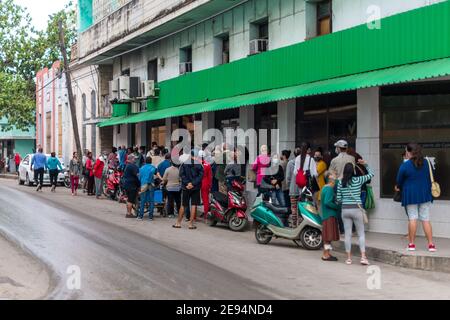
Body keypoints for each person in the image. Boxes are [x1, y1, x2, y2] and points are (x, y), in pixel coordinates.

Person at [396, 143, 436, 252]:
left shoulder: (405, 165)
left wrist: (398, 187)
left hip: (411, 195)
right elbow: (431, 174)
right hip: (425, 194)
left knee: (412, 218)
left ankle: (411, 244)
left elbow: (399, 181)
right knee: (426, 219)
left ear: (409, 152)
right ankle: (431, 245)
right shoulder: (427, 162)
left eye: (406, 151)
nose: (406, 153)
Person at [337, 160, 374, 266]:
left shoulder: (340, 182)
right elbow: (371, 174)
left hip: (345, 210)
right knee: (361, 234)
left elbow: (339, 199)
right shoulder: (358, 180)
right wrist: (365, 164)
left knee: (347, 235)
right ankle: (363, 257)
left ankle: (348, 259)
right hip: (357, 209)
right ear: (353, 171)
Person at [173, 149, 204, 229]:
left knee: (183, 205)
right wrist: (193, 184)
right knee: (194, 205)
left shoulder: (184, 164)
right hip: (195, 188)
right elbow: (200, 177)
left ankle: (178, 223)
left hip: (186, 187)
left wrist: (188, 183)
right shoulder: (199, 165)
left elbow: (181, 175)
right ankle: (190, 224)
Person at [321, 171, 340, 261]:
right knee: (328, 237)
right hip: (329, 215)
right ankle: (326, 254)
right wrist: (336, 206)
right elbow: (327, 202)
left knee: (327, 237)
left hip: (326, 215)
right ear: (329, 178)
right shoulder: (329, 189)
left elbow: (337, 181)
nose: (335, 175)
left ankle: (326, 254)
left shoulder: (325, 187)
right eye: (333, 174)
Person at [137, 157, 157, 221]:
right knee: (151, 201)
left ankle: (140, 216)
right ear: (151, 161)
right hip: (151, 184)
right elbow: (155, 174)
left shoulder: (141, 168)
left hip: (143, 184)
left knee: (142, 200)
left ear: (145, 161)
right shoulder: (153, 167)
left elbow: (139, 177)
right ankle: (150, 217)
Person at [286, 147, 301, 227]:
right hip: (302, 190)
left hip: (293, 189)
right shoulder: (304, 163)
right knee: (301, 207)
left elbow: (288, 177)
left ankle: (295, 224)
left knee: (294, 207)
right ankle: (301, 224)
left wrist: (289, 186)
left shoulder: (290, 163)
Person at [199, 150, 213, 217]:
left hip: (196, 183)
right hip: (205, 183)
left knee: (194, 199)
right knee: (205, 199)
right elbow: (210, 177)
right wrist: (210, 185)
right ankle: (206, 213)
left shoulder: (196, 164)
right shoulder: (208, 165)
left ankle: (193, 216)